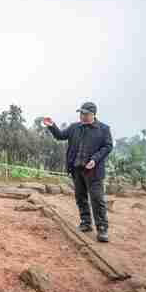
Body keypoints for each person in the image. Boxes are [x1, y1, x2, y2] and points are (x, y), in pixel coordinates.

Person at [43, 102, 113, 242]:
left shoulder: (103, 129)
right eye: (81, 113)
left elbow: (108, 146)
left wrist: (95, 159)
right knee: (80, 198)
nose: (82, 116)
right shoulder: (75, 127)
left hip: (93, 171)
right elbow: (60, 136)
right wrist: (52, 126)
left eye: (85, 114)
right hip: (77, 169)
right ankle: (85, 223)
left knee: (97, 199)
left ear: (93, 114)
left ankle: (102, 229)